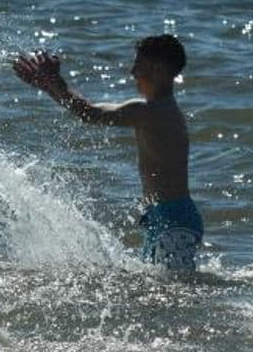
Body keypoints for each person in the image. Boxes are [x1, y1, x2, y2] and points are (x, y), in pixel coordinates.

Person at [13, 35, 202, 272]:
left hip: (174, 222)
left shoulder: (151, 112)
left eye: (138, 65)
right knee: (163, 292)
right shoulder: (158, 111)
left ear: (157, 70)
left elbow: (90, 113)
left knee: (175, 294)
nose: (131, 71)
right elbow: (89, 112)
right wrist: (49, 86)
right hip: (165, 218)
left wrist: (54, 81)